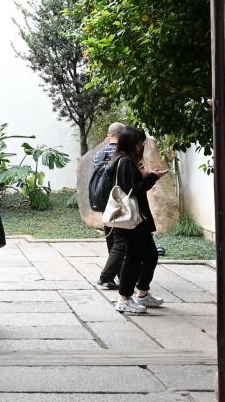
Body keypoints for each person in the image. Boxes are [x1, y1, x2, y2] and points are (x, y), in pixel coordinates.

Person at [110, 127, 169, 314]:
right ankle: (124, 299)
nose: (141, 146)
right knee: (133, 258)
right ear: (133, 143)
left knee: (150, 255)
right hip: (132, 220)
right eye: (140, 143)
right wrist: (153, 177)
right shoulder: (125, 161)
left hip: (138, 219)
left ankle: (142, 294)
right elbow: (133, 189)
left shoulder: (123, 160)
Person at [92, 121, 126, 288]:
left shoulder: (98, 154)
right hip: (121, 201)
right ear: (123, 136)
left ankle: (114, 275)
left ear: (109, 135)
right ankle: (113, 275)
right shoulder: (124, 154)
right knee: (122, 240)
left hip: (104, 201)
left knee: (111, 238)